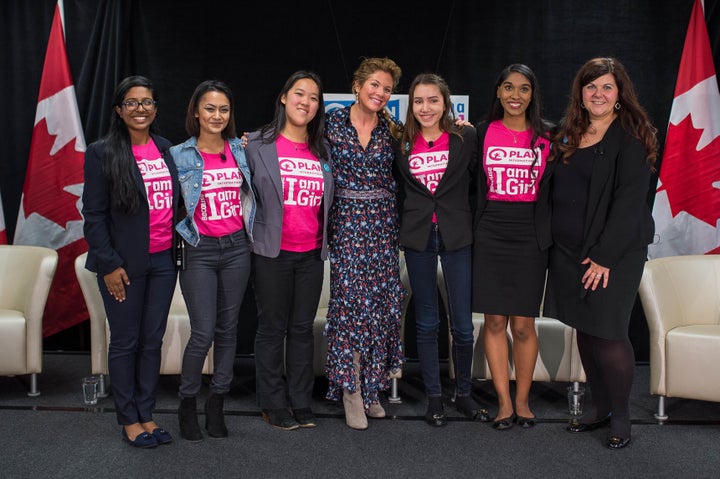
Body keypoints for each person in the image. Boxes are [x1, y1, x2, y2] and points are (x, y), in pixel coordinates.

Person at [544, 57, 657, 449]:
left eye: (607, 87)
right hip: (569, 251)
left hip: (615, 253)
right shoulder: (567, 134)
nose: (598, 94)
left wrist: (605, 256)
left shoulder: (631, 137)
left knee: (608, 333)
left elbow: (630, 204)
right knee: (586, 331)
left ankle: (621, 417)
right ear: (581, 92)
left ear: (620, 94)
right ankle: (600, 408)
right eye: (591, 86)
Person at [82, 75, 180, 448]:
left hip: (163, 262)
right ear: (119, 111)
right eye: (132, 103)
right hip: (122, 265)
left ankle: (147, 413)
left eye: (147, 102)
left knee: (152, 340)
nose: (140, 109)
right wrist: (108, 264)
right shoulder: (102, 152)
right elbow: (93, 215)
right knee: (125, 341)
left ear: (155, 109)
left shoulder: (166, 148)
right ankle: (128, 419)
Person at [393, 73, 490, 427]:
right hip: (418, 238)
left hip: (457, 236)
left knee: (463, 326)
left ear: (446, 103)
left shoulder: (466, 137)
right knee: (427, 323)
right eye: (418, 101)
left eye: (433, 100)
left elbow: (481, 181)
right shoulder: (400, 141)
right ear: (411, 106)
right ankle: (434, 398)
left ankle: (462, 393)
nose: (425, 108)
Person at [245, 71, 334, 430]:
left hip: (312, 254)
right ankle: (271, 401)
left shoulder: (323, 148)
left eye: (313, 98)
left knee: (301, 330)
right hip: (271, 253)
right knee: (271, 329)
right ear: (283, 97)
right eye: (299, 94)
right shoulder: (254, 145)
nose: (306, 102)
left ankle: (300, 400)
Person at [171, 80, 256, 441]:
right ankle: (187, 402)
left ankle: (217, 402)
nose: (217, 116)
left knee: (228, 330)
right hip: (199, 249)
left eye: (223, 109)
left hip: (237, 247)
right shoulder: (178, 155)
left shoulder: (241, 150)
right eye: (209, 108)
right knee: (203, 331)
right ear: (195, 111)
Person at [324, 57, 405, 430]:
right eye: (374, 84)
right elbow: (287, 135)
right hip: (347, 225)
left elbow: (430, 145)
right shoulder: (330, 123)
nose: (380, 93)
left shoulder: (393, 129)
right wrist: (248, 140)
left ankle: (371, 390)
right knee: (350, 308)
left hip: (383, 226)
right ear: (357, 85)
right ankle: (350, 391)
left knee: (379, 309)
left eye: (387, 88)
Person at [472, 64, 554, 430]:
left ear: (532, 95)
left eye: (523, 89)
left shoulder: (548, 137)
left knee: (523, 324)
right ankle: (503, 403)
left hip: (529, 235)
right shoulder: (481, 132)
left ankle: (523, 401)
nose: (515, 96)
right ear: (498, 92)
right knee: (493, 320)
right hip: (490, 232)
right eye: (508, 87)